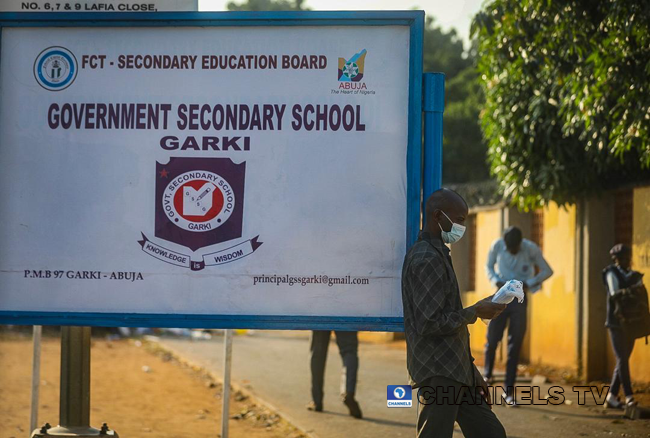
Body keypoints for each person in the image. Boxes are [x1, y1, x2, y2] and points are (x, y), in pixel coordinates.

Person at [402, 188, 507, 438]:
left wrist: (471, 372)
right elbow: (430, 322)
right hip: (438, 373)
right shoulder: (426, 258)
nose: (462, 227)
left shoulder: (438, 253)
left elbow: (448, 319)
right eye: (459, 220)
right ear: (438, 216)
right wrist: (475, 311)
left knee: (491, 433)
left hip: (456, 371)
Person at [483, 226, 553, 405]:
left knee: (514, 347)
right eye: (509, 248)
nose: (512, 251)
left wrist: (529, 283)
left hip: (519, 299)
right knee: (492, 340)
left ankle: (509, 391)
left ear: (520, 244)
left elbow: (547, 270)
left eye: (515, 248)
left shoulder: (530, 249)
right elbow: (488, 266)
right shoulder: (497, 246)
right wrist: (495, 279)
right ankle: (487, 374)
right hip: (500, 296)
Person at [602, 244, 640, 410]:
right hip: (616, 323)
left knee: (622, 359)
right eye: (621, 258)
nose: (625, 260)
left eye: (626, 257)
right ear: (615, 259)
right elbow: (614, 292)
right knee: (622, 358)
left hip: (632, 322)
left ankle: (611, 397)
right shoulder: (611, 273)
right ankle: (629, 396)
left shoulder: (635, 275)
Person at [307, 330, 363, 418]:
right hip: (347, 316)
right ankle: (348, 392)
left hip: (322, 316)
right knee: (349, 351)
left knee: (318, 353)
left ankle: (317, 400)